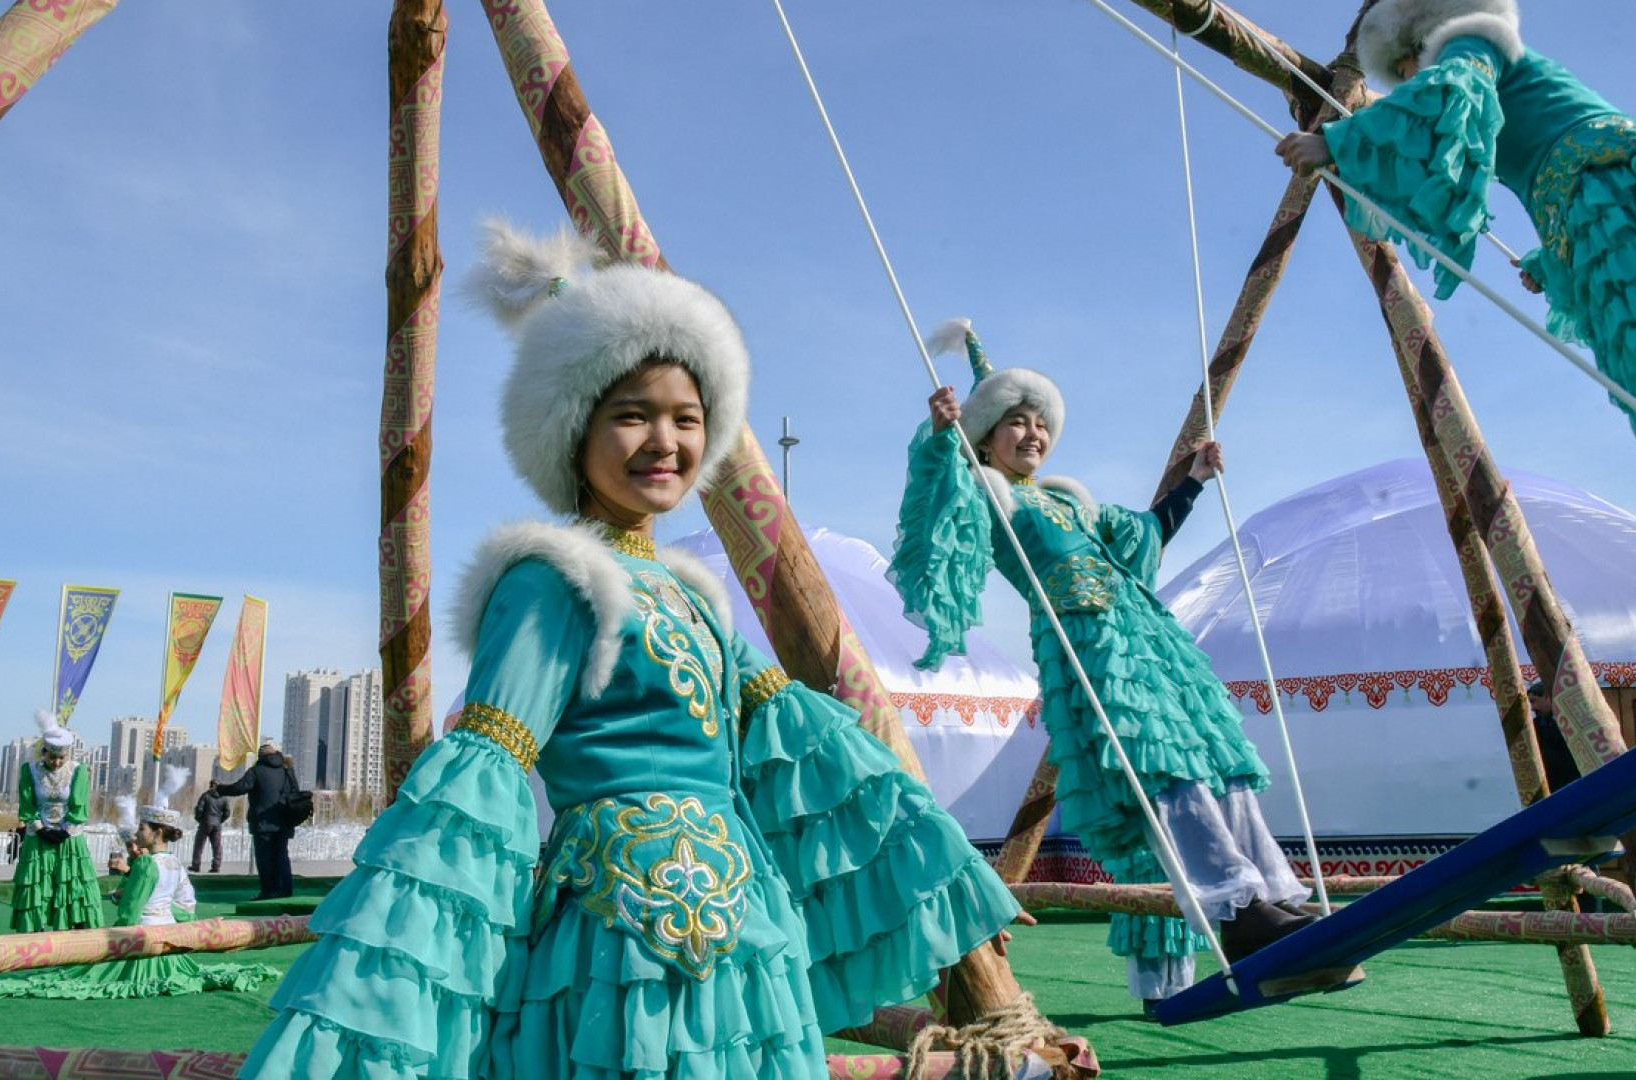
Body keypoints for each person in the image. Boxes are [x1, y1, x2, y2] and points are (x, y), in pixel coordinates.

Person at [235, 223, 1025, 1080]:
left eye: (687, 418)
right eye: (632, 415)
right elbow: (484, 775)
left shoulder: (694, 593)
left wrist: (934, 860)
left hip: (746, 940)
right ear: (573, 428)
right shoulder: (554, 580)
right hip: (615, 942)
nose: (665, 441)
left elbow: (806, 745)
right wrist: (397, 952)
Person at [1274, 0, 1636, 578]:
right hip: (1608, 214)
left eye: (1405, 67)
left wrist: (1339, 142)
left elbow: (1443, 99)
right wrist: (1554, 261)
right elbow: (1469, 150)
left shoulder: (1470, 45)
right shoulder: (1480, 82)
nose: (1408, 80)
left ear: (1418, 43)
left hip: (1629, 196)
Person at [889, 320, 1312, 1010]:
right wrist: (941, 439)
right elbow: (935, 511)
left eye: (1039, 424)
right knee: (1161, 768)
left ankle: (1274, 894)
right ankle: (1236, 912)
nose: (1031, 435)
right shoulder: (988, 493)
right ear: (988, 435)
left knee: (1214, 754)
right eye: (1014, 424)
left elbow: (1142, 538)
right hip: (1086, 640)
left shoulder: (1068, 499)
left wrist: (1196, 482)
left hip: (1143, 632)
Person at [0, 804, 278, 999]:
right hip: (169, 936)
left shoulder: (144, 864)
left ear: (156, 832)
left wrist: (117, 937)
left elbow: (132, 909)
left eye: (142, 828)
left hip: (142, 936)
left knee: (86, 978)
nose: (137, 833)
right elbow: (184, 903)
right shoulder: (175, 863)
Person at [9, 710, 104, 933]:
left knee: (72, 884)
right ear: (43, 752)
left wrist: (66, 829)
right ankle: (34, 934)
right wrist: (40, 828)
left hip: (68, 839)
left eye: (62, 757)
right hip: (38, 835)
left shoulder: (77, 770)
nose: (57, 762)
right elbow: (27, 803)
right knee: (36, 885)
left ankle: (74, 933)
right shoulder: (29, 770)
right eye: (52, 757)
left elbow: (80, 805)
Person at [216, 740, 300, 901]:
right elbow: (295, 792)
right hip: (283, 822)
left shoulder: (256, 771)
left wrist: (220, 788)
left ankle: (269, 891)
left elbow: (240, 788)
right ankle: (286, 889)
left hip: (263, 824)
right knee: (282, 855)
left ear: (260, 757)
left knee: (265, 859)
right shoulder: (287, 770)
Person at [1527, 682, 1581, 795]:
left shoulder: (1569, 721)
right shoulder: (1533, 727)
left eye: (1534, 701)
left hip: (1573, 783)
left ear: (1547, 697)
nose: (1532, 708)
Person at [191, 784, 229, 874]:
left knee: (199, 845)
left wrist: (199, 819)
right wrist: (220, 820)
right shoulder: (224, 798)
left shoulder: (206, 795)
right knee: (217, 846)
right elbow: (227, 813)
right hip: (217, 825)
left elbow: (199, 809)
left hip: (205, 823)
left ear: (210, 785)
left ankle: (196, 865)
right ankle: (216, 866)